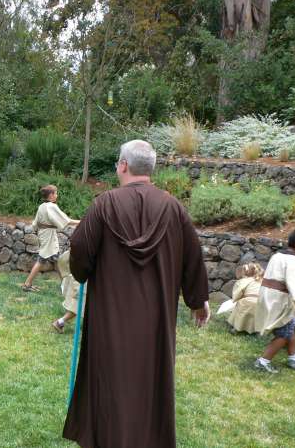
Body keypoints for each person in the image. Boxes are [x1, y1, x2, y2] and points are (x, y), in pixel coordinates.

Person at [63, 140, 210, 448]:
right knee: (150, 381)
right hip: (156, 320)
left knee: (110, 378)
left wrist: (82, 272)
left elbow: (80, 247)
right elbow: (192, 256)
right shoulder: (172, 207)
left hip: (111, 317)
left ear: (123, 165)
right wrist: (198, 301)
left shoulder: (104, 204)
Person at [253, 228, 295, 373]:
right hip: (279, 300)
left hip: (269, 297)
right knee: (284, 333)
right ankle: (263, 361)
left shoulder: (278, 255)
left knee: (291, 323)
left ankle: (293, 356)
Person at [21, 185, 79, 292]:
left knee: (56, 259)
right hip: (48, 236)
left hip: (45, 234)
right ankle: (27, 284)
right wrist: (81, 221)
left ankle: (64, 285)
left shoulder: (42, 206)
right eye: (56, 193)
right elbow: (66, 220)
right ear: (51, 195)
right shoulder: (51, 206)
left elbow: (35, 224)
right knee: (43, 259)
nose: (57, 195)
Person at [51, 250, 83, 333]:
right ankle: (59, 322)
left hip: (78, 277)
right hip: (81, 278)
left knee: (79, 304)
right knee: (79, 305)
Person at [227, 263, 263, 334]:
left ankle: (237, 328)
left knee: (240, 308)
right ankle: (257, 330)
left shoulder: (244, 281)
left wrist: (236, 299)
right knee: (256, 314)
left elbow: (238, 292)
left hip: (247, 301)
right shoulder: (261, 281)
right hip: (260, 302)